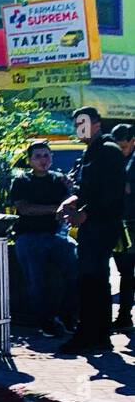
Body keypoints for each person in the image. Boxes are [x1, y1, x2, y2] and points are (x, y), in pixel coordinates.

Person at [56, 107, 126, 355]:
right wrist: (71, 201)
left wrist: (85, 213)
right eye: (77, 124)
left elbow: (111, 194)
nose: (80, 128)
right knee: (92, 281)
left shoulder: (108, 151)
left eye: (84, 123)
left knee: (93, 280)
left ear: (97, 124)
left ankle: (91, 334)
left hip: (102, 224)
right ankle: (96, 334)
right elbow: (88, 188)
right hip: (92, 225)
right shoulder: (91, 151)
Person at [9, 142, 76, 336]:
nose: (42, 160)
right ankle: (45, 323)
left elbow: (69, 207)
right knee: (36, 280)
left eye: (46, 156)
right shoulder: (21, 181)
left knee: (76, 269)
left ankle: (68, 318)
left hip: (56, 236)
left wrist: (69, 196)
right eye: (37, 156)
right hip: (28, 237)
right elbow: (25, 209)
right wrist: (55, 209)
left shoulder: (59, 180)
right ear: (30, 160)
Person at [109, 123, 135, 331]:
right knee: (125, 272)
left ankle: (124, 316)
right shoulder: (116, 158)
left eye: (124, 147)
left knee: (128, 272)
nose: (121, 151)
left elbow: (126, 188)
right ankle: (124, 316)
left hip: (131, 222)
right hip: (121, 222)